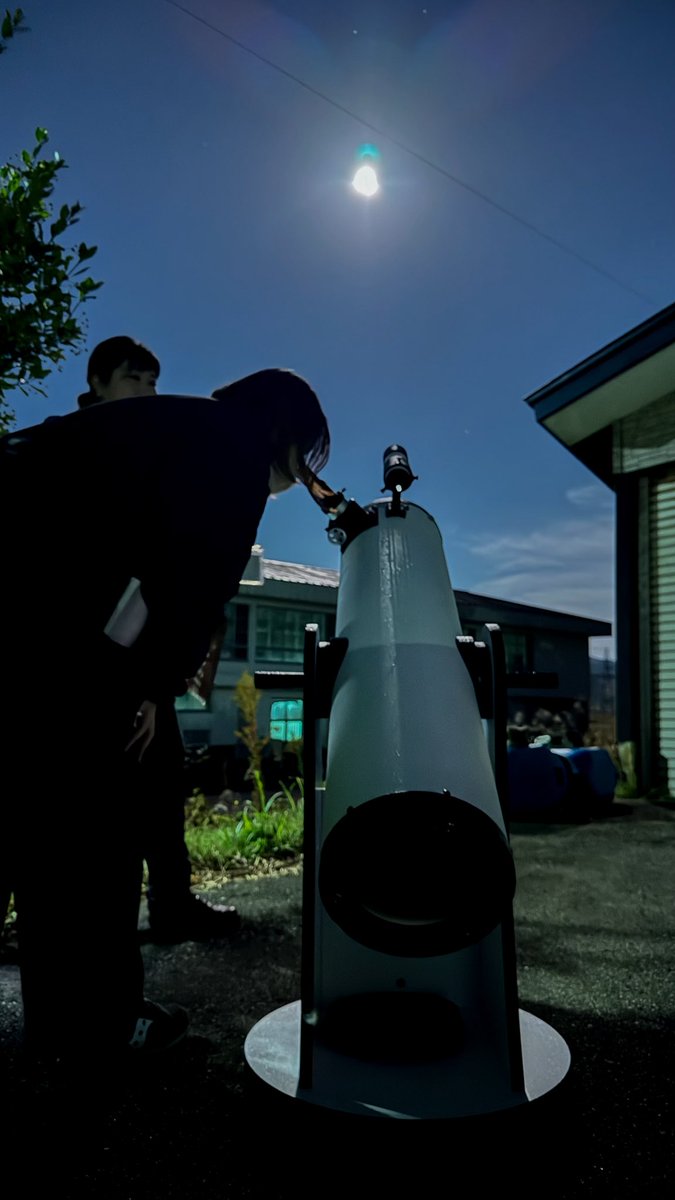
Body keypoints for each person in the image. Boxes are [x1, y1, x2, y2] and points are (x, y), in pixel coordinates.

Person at [1, 360, 332, 1065]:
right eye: (306, 451)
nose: (302, 474)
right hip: (42, 629)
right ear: (283, 430)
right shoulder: (235, 451)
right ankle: (97, 1030)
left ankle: (72, 1024)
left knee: (25, 816)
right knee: (91, 832)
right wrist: (147, 686)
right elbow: (187, 584)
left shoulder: (171, 427)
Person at [76, 335, 240, 943]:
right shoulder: (77, 447)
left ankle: (173, 904)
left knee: (164, 788)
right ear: (97, 383)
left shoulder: (146, 449)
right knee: (101, 812)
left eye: (151, 381)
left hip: (144, 662)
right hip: (95, 667)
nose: (147, 392)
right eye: (132, 380)